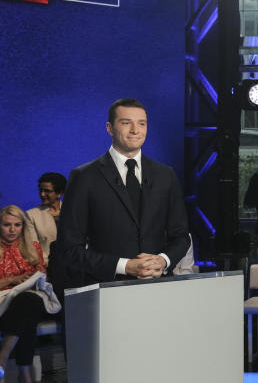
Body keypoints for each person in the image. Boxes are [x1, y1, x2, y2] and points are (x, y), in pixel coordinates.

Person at [58, 98, 191, 286]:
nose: (135, 130)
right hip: (106, 290)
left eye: (141, 124)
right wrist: (125, 266)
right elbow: (69, 250)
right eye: (126, 123)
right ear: (109, 128)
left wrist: (163, 260)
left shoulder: (165, 175)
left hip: (158, 287)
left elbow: (181, 237)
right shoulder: (84, 177)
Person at [0, 205, 60, 383]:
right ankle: (25, 374)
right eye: (7, 225)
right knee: (27, 313)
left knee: (28, 301)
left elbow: (42, 274)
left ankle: (3, 356)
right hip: (5, 302)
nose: (12, 230)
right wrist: (12, 280)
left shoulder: (32, 247)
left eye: (17, 225)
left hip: (30, 298)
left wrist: (31, 279)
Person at [25, 172, 67, 263]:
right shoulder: (31, 215)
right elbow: (33, 247)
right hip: (46, 265)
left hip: (75, 265)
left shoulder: (73, 211)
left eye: (47, 191)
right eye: (41, 190)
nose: (42, 194)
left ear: (59, 193)